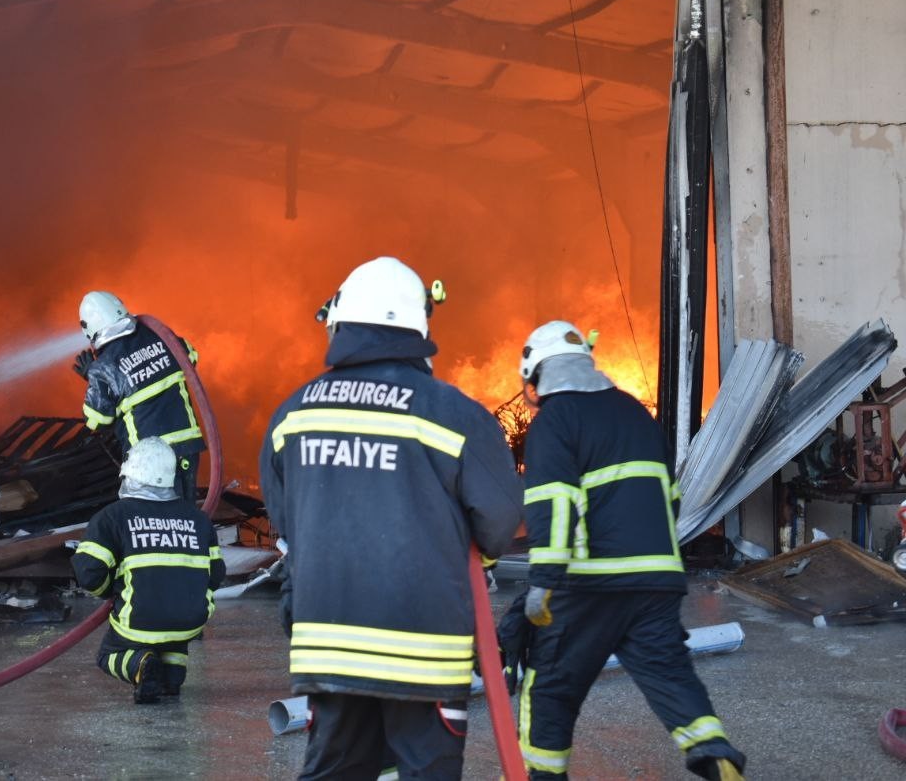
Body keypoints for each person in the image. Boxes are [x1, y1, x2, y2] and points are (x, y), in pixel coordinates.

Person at [259, 256, 524, 780]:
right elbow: (499, 519)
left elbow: (287, 526)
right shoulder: (454, 414)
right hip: (423, 650)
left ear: (342, 323)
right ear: (418, 325)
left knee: (335, 771)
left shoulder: (293, 415)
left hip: (328, 647)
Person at [512, 320, 746, 780]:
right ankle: (715, 755)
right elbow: (670, 498)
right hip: (657, 581)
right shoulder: (635, 413)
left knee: (551, 687)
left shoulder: (554, 421)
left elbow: (555, 504)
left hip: (589, 585)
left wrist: (543, 581)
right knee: (670, 675)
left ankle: (539, 776)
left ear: (538, 374)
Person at [70, 436, 225, 703]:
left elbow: (88, 571)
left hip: (140, 621)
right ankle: (172, 676)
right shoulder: (198, 519)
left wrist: (114, 592)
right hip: (192, 621)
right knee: (173, 626)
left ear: (130, 474)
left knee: (107, 655)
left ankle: (140, 663)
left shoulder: (113, 516)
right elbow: (217, 573)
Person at [73, 291, 205, 500]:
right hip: (187, 445)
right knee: (185, 515)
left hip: (149, 460)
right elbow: (191, 356)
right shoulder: (159, 335)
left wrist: (92, 376)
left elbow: (96, 420)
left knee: (157, 520)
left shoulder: (104, 367)